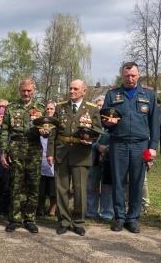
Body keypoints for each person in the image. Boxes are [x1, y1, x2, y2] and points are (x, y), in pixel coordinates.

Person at [102, 62, 159, 233]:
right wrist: (108, 122)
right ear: (122, 76)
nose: (130, 78)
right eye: (127, 75)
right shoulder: (113, 95)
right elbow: (104, 120)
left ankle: (133, 218)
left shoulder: (149, 95)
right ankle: (119, 217)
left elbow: (154, 123)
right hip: (118, 143)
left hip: (140, 145)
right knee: (118, 182)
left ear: (138, 74)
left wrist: (153, 147)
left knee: (137, 182)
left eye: (133, 75)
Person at [47, 79, 103, 236]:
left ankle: (78, 221)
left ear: (84, 91)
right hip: (62, 153)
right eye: (70, 88)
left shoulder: (91, 109)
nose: (71, 91)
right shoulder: (60, 107)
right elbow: (53, 131)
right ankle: (64, 221)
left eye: (75, 89)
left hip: (81, 154)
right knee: (61, 189)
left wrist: (91, 139)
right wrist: (50, 153)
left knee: (80, 190)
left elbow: (98, 130)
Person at [0, 78, 46, 233]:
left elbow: (47, 130)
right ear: (19, 90)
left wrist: (45, 132)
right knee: (16, 184)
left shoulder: (40, 108)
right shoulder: (11, 108)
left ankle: (30, 219)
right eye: (23, 90)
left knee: (33, 185)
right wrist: (4, 152)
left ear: (34, 91)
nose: (26, 93)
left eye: (29, 91)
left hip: (34, 149)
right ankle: (15, 219)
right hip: (16, 148)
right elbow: (5, 130)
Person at [86, 96, 114, 220]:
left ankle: (106, 212)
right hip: (92, 156)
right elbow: (86, 138)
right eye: (98, 105)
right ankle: (91, 211)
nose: (100, 108)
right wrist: (97, 146)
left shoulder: (112, 122)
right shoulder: (89, 121)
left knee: (108, 186)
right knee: (91, 185)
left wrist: (107, 148)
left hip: (109, 157)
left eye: (103, 106)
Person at [37, 101, 57, 217]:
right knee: (41, 186)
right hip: (41, 156)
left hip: (53, 156)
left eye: (52, 109)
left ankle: (53, 208)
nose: (49, 111)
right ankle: (40, 207)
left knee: (53, 186)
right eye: (48, 109)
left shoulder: (58, 124)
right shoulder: (41, 123)